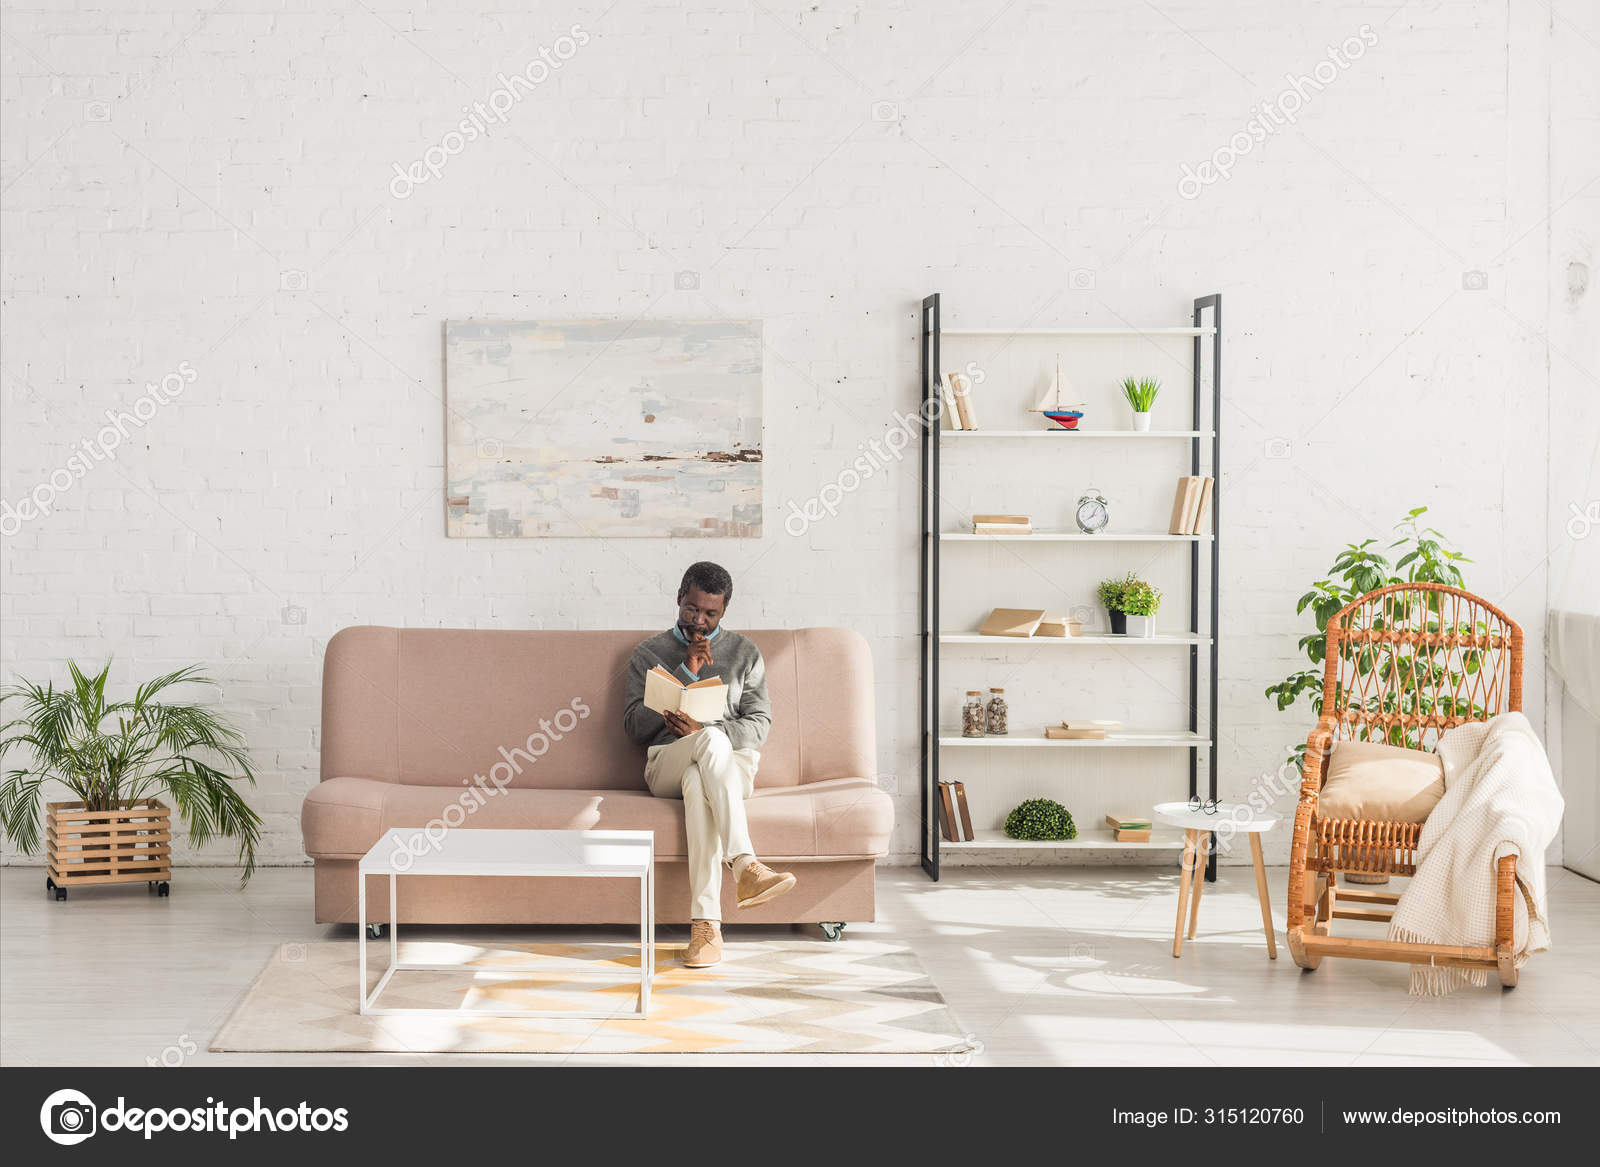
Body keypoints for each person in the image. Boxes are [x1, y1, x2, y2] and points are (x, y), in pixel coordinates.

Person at [622, 561, 796, 967]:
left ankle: (706, 929)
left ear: (724, 612)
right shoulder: (648, 652)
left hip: (728, 769)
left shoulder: (745, 653)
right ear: (679, 598)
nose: (698, 621)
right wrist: (685, 674)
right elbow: (633, 728)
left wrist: (703, 729)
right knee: (705, 749)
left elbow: (759, 725)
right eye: (691, 610)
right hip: (666, 760)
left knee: (701, 775)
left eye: (710, 614)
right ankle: (746, 865)